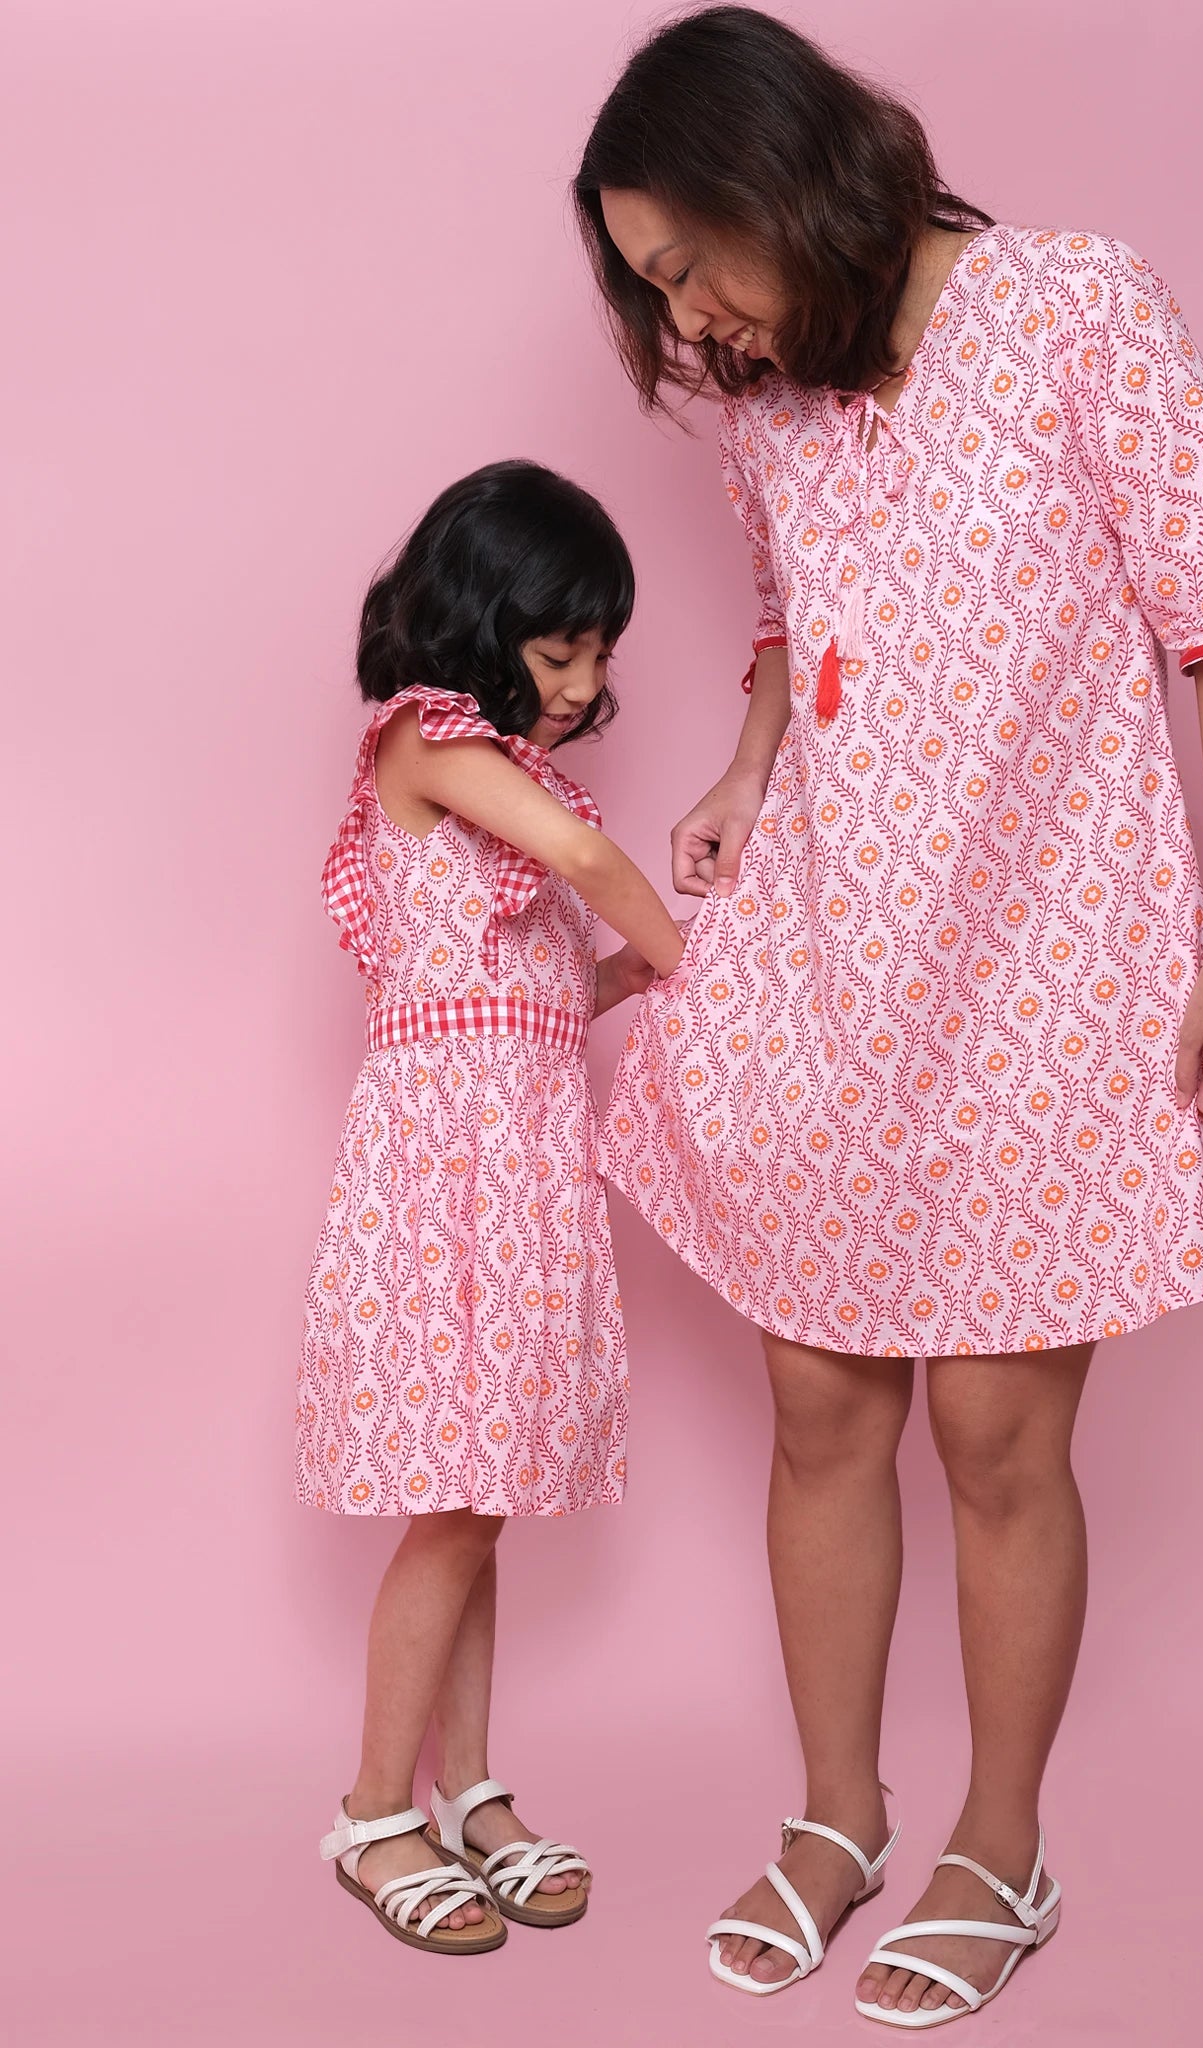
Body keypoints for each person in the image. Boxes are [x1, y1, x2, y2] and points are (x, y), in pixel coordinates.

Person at [577, 6, 1203, 2027]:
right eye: (652, 290)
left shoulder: (1074, 303)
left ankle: (996, 1843)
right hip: (835, 952)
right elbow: (790, 619)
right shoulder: (776, 408)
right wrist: (754, 762)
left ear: (777, 175)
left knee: (1004, 1430)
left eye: (690, 266)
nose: (692, 324)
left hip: (1047, 957)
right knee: (822, 1402)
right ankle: (839, 1811)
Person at [297, 460, 684, 1954]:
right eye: (562, 649)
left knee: (487, 1499)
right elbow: (584, 858)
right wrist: (697, 963)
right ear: (481, 621)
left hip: (521, 1162)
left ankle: (470, 1792)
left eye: (601, 656)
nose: (588, 684)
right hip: (444, 1175)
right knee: (449, 1509)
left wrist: (621, 976)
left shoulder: (511, 785)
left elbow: (525, 995)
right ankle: (373, 1812)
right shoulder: (422, 740)